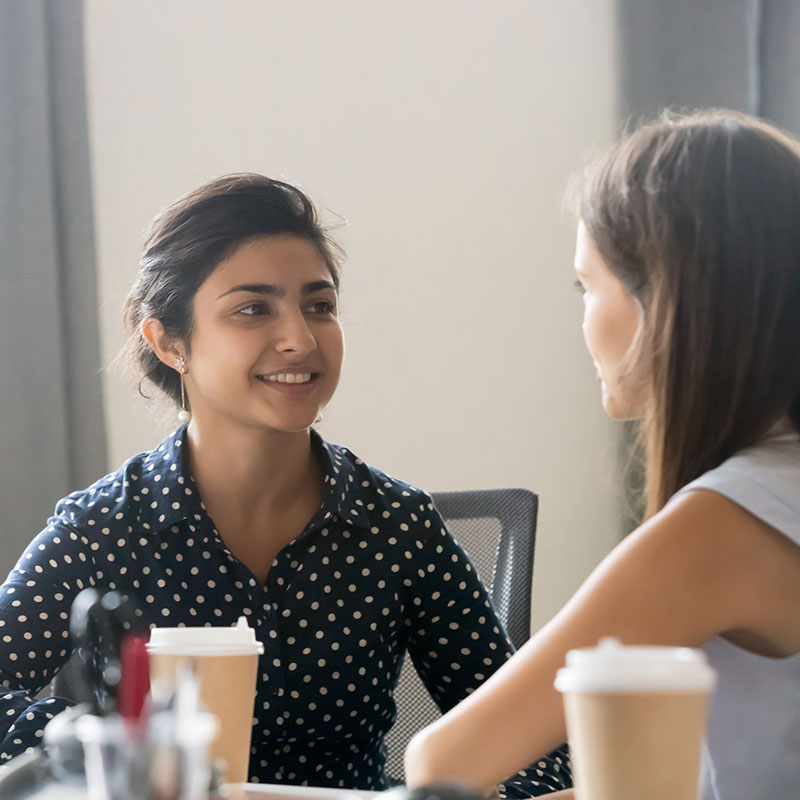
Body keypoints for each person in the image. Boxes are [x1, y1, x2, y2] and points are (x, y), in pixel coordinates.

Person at [0, 174, 570, 794]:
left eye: (319, 306)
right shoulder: (102, 529)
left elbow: (532, 737)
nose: (300, 338)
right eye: (253, 309)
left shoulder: (399, 528)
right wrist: (103, 741)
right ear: (169, 342)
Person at [404, 109, 800, 800]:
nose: (583, 319)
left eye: (588, 286)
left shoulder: (725, 524)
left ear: (665, 300)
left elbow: (445, 764)